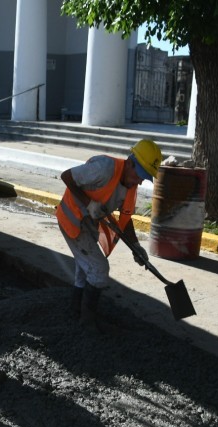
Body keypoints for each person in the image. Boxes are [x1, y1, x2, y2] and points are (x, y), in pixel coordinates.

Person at [56, 139, 162, 331]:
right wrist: (88, 203)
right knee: (99, 270)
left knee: (85, 269)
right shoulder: (104, 169)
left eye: (144, 177)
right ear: (130, 163)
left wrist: (136, 247)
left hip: (89, 222)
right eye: (140, 174)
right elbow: (66, 176)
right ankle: (87, 322)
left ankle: (75, 310)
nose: (140, 181)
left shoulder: (130, 188)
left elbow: (125, 219)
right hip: (72, 219)